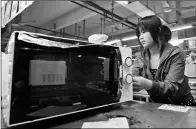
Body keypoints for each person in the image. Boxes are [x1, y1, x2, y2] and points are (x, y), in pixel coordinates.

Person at [132, 15, 196, 106]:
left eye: (144, 32)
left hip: (182, 105)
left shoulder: (175, 53)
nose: (140, 37)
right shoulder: (140, 57)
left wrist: (148, 84)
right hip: (159, 105)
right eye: (139, 34)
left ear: (157, 31)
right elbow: (131, 76)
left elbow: (172, 87)